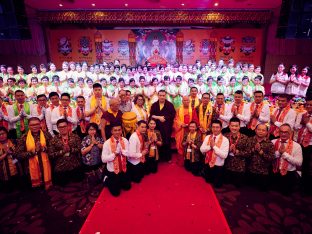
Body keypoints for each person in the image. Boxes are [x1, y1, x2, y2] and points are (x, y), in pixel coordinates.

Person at [15, 117, 52, 189]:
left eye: (37, 124)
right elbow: (18, 155)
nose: (35, 126)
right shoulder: (23, 137)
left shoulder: (46, 135)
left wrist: (43, 148)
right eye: (32, 125)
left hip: (46, 163)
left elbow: (53, 149)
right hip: (30, 167)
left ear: (40, 124)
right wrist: (34, 151)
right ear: (28, 126)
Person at [48, 119, 82, 186]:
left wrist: (71, 150)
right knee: (62, 184)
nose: (62, 128)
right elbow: (51, 154)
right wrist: (62, 152)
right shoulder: (53, 140)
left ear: (68, 126)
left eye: (64, 126)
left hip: (74, 165)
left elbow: (80, 149)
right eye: (60, 127)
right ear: (57, 128)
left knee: (78, 181)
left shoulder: (75, 137)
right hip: (61, 167)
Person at [271, 124, 303, 195]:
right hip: (274, 171)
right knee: (270, 193)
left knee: (286, 194)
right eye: (281, 132)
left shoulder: (297, 146)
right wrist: (278, 153)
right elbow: (269, 157)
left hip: (288, 174)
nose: (283, 134)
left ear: (291, 133)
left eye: (286, 132)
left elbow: (299, 163)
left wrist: (285, 154)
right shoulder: (273, 142)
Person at [101, 124, 131, 196]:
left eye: (119, 130)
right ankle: (106, 178)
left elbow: (129, 153)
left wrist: (123, 152)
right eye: (115, 130)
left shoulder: (125, 140)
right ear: (111, 131)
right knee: (116, 194)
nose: (117, 132)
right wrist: (114, 154)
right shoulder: (107, 143)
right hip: (113, 170)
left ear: (121, 130)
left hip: (123, 168)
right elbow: (103, 160)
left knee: (127, 188)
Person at [200, 120, 229, 188]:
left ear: (221, 128)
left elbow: (224, 155)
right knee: (207, 183)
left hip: (218, 166)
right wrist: (210, 147)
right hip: (208, 164)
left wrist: (214, 147)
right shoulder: (207, 137)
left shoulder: (225, 140)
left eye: (217, 127)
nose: (215, 129)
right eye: (213, 127)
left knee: (217, 186)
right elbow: (201, 150)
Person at [247, 124, 275, 191]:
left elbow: (271, 158)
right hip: (249, 171)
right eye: (259, 129)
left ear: (267, 132)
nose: (260, 131)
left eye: (263, 130)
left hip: (262, 173)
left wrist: (261, 152)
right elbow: (245, 154)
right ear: (255, 130)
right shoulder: (249, 140)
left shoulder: (270, 144)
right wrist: (253, 150)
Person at [150, 90, 176, 161]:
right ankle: (158, 158)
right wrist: (159, 118)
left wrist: (164, 118)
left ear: (165, 96)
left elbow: (173, 115)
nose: (162, 97)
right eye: (160, 95)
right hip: (157, 127)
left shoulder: (170, 105)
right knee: (157, 141)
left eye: (163, 95)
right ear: (158, 96)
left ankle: (167, 158)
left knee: (166, 142)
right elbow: (151, 115)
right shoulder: (154, 105)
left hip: (166, 127)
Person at [223, 117, 249, 187]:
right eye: (232, 126)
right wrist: (228, 150)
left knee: (238, 187)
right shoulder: (225, 136)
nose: (234, 128)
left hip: (239, 168)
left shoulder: (245, 138)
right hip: (226, 167)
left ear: (239, 126)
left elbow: (249, 153)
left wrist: (237, 152)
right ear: (229, 126)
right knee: (226, 185)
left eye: (236, 126)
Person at [294, 98, 312, 194]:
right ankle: (300, 184)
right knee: (300, 164)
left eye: (311, 105)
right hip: (300, 142)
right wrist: (301, 123)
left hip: (310, 145)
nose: (308, 106)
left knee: (308, 167)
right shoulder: (301, 114)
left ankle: (307, 188)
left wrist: (307, 123)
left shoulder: (306, 118)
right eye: (307, 104)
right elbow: (296, 127)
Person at [0, 127, 18, 192]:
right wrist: (6, 154)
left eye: (3, 133)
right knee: (8, 191)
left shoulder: (14, 141)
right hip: (4, 173)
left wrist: (12, 153)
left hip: (17, 168)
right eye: (0, 134)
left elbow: (20, 153)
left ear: (6, 133)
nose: (1, 136)